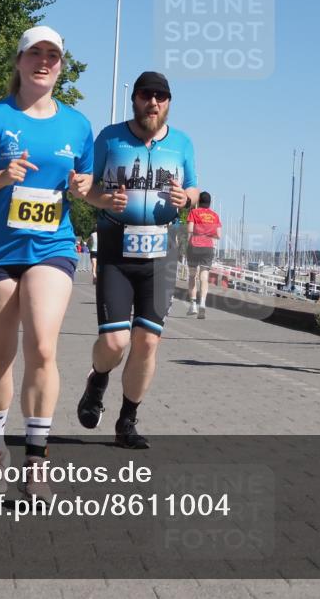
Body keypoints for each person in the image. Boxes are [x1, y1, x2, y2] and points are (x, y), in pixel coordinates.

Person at [0, 25, 93, 498]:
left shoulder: (77, 125)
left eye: (53, 55)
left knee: (44, 346)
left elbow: (86, 183)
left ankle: (37, 456)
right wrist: (0, 176)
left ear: (60, 65)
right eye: (35, 53)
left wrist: (83, 190)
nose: (44, 61)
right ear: (18, 61)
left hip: (52, 245)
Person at [76, 71, 198, 448]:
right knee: (114, 343)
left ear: (168, 102)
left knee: (147, 343)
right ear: (135, 99)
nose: (154, 102)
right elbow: (85, 187)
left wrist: (187, 199)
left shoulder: (181, 143)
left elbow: (194, 186)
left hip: (161, 253)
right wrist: (102, 199)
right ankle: (97, 379)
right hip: (116, 246)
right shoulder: (110, 138)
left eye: (161, 96)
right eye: (147, 95)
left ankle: (127, 421)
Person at [186, 191, 221, 319]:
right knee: (204, 277)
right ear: (209, 203)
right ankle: (203, 304)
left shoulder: (194, 212)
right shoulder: (215, 216)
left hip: (194, 246)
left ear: (199, 201)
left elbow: (190, 229)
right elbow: (219, 235)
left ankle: (193, 305)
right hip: (208, 247)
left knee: (192, 276)